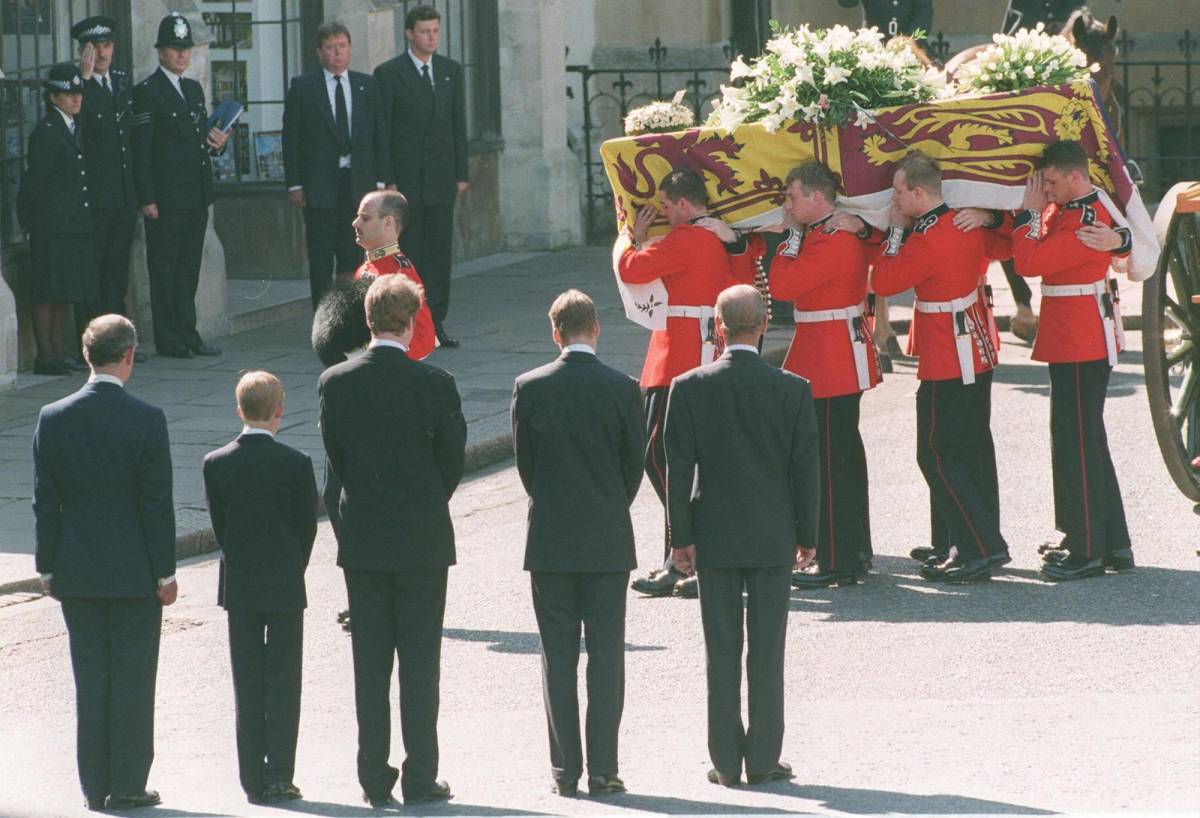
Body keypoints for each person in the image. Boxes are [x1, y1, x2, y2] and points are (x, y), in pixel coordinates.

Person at [319, 274, 466, 807]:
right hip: (422, 535)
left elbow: (337, 462)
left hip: (364, 536)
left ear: (369, 321)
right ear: (409, 323)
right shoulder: (434, 383)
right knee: (420, 665)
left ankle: (373, 778)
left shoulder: (335, 381)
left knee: (370, 664)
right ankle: (421, 777)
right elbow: (452, 460)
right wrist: (427, 498)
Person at [664, 284, 819, 787]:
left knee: (721, 650)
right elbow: (806, 470)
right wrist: (808, 532)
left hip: (716, 534)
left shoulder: (688, 386)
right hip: (773, 532)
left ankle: (726, 761)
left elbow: (677, 469)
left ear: (717, 326)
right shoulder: (792, 388)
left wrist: (680, 537)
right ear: (765, 325)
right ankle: (765, 757)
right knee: (768, 649)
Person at [33, 314, 175, 811]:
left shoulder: (53, 417)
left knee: (90, 680)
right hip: (135, 573)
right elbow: (156, 504)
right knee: (134, 679)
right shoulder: (147, 419)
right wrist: (166, 571)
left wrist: (46, 567)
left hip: (78, 571)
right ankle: (129, 782)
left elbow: (45, 502)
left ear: (87, 354)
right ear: (129, 355)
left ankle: (94, 785)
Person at [512, 290, 645, 798]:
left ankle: (565, 770)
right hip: (608, 533)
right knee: (607, 654)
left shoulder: (531, 386)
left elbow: (527, 466)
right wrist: (611, 502)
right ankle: (605, 769)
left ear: (555, 333)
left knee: (558, 654)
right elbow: (633, 465)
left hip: (551, 533)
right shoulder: (621, 387)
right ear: (597, 329)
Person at [872, 151, 1012, 583]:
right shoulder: (959, 222)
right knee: (970, 450)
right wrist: (989, 216)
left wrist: (894, 232)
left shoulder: (927, 237)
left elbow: (883, 281)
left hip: (949, 352)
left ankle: (979, 546)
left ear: (918, 193)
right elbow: (1007, 243)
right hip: (975, 345)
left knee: (936, 452)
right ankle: (963, 540)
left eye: (898, 192)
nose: (893, 199)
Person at [1010, 140, 1135, 581]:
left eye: (1052, 181)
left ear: (1075, 177)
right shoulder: (1073, 207)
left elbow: (1027, 262)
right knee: (1086, 440)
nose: (1046, 189)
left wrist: (1026, 215)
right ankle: (1112, 543)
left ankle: (1086, 550)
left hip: (1081, 337)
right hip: (1072, 333)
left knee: (1075, 443)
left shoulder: (1084, 219)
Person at [618, 167, 738, 600]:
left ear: (684, 204)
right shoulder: (715, 235)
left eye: (667, 206)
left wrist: (632, 235)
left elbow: (632, 269)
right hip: (685, 351)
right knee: (671, 462)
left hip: (683, 357)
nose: (664, 214)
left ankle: (692, 553)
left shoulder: (690, 238)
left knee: (662, 457)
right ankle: (679, 555)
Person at [203, 371, 318, 805]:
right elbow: (306, 527)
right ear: (279, 411)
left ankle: (251, 777)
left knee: (246, 680)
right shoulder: (295, 462)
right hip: (285, 580)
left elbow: (220, 526)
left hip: (242, 584)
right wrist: (293, 565)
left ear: (239, 410)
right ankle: (280, 774)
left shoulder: (216, 462)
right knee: (285, 680)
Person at [768, 161, 882, 588]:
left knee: (830, 466)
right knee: (842, 459)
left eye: (793, 197)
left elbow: (781, 286)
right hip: (830, 351)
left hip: (829, 356)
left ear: (817, 198)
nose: (787, 205)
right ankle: (851, 550)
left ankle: (836, 559)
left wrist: (789, 239)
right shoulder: (832, 231)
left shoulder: (828, 238)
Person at [132, 13, 228, 359]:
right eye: (175, 49)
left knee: (189, 267)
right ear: (160, 52)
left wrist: (218, 142)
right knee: (165, 267)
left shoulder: (192, 88)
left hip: (195, 194)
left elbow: (198, 139)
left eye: (185, 49)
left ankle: (189, 333)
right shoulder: (147, 92)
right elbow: (142, 149)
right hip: (165, 198)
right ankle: (169, 338)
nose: (181, 55)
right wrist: (147, 197)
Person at [373, 4, 468, 348]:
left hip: (441, 178)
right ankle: (409, 324)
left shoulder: (450, 71)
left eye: (436, 31)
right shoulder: (389, 74)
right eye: (425, 31)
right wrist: (388, 178)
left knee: (440, 253)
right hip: (407, 180)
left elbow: (459, 124)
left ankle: (437, 322)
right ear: (409, 34)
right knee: (410, 253)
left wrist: (461, 172)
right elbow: (383, 131)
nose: (431, 37)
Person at [282, 21, 391, 307]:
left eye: (342, 46)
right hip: (320, 186)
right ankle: (324, 319)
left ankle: (351, 315)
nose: (337, 53)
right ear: (319, 51)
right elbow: (291, 139)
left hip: (358, 185)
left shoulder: (367, 85)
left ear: (350, 48)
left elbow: (379, 134)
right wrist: (294, 183)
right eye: (330, 48)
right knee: (320, 256)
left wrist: (381, 180)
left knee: (353, 254)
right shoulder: (304, 88)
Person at [16, 63, 97, 376]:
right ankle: (45, 356)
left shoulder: (70, 126)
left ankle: (57, 353)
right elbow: (34, 181)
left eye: (78, 92)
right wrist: (27, 218)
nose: (75, 99)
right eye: (67, 93)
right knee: (48, 291)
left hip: (71, 224)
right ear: (53, 97)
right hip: (51, 224)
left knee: (64, 290)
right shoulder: (47, 132)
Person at [72, 16, 141, 364]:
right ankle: (94, 347)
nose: (101, 53)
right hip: (95, 198)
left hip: (123, 197)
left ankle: (119, 344)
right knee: (95, 273)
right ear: (83, 50)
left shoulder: (121, 82)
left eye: (106, 46)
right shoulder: (77, 85)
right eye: (93, 47)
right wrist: (82, 82)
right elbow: (76, 133)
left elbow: (131, 141)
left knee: (117, 273)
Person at [351, 190, 437, 360]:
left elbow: (424, 339)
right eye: (358, 216)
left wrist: (383, 359)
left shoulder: (400, 273)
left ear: (388, 223)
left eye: (365, 218)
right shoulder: (365, 269)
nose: (356, 223)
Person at [838, 0, 934, 50]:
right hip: (871, 45)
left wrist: (909, 43)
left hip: (909, 48)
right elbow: (847, 3)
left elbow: (923, 15)